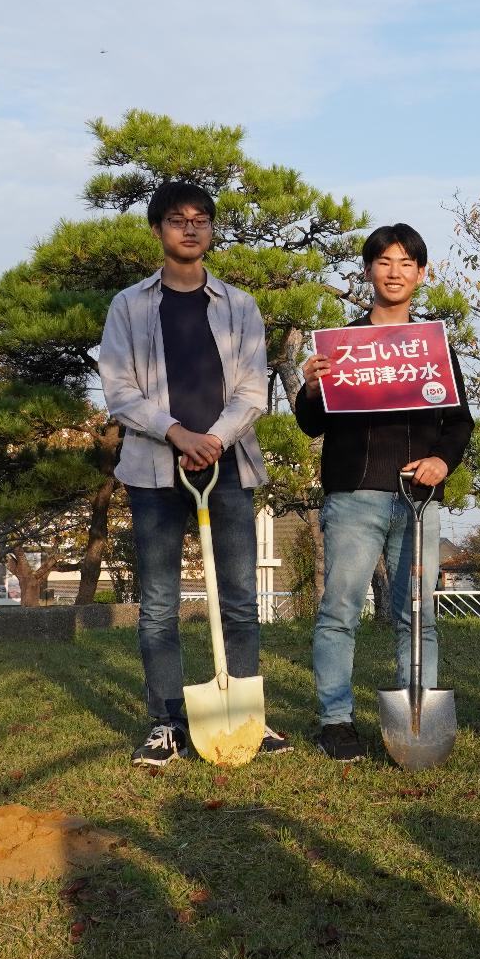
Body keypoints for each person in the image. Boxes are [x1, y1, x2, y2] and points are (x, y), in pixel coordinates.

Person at [98, 179, 289, 767]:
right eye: (177, 219)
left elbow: (255, 390)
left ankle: (245, 714)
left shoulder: (240, 306)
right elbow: (119, 390)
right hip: (153, 470)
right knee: (157, 602)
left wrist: (213, 440)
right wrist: (177, 433)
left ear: (211, 230)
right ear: (157, 230)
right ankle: (166, 722)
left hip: (228, 468)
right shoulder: (129, 305)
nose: (190, 227)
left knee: (238, 598)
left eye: (200, 218)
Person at [296, 224, 473, 762]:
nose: (394, 272)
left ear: (422, 274)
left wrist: (443, 460)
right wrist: (310, 388)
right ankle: (336, 719)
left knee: (418, 614)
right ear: (368, 270)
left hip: (420, 500)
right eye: (384, 261)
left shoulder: (434, 346)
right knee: (339, 610)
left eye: (406, 263)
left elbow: (458, 422)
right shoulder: (340, 346)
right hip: (354, 496)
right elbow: (311, 425)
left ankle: (418, 713)